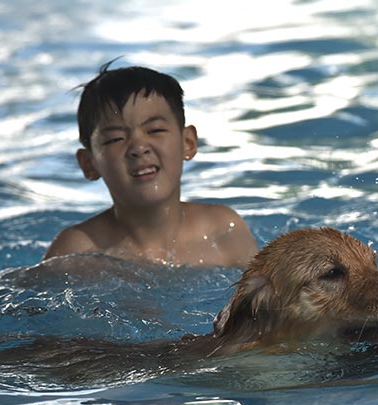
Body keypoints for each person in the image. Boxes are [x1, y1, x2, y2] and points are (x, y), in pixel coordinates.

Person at [43, 63, 257, 268]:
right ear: (89, 164)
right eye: (115, 139)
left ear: (188, 143)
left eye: (155, 130)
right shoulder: (76, 251)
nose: (138, 147)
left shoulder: (223, 229)